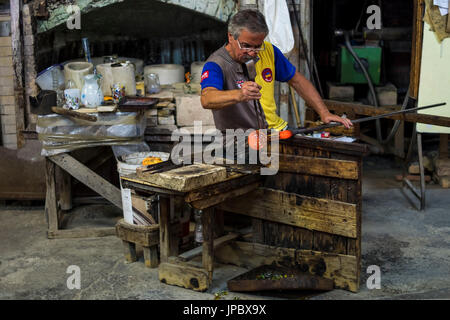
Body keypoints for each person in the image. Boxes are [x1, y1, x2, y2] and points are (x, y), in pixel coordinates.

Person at [200, 9, 352, 132]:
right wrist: (239, 94)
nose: (253, 52)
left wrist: (324, 112)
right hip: (241, 140)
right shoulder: (216, 64)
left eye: (257, 46)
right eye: (246, 45)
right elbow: (207, 99)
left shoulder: (268, 51)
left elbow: (297, 80)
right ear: (231, 36)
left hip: (275, 130)